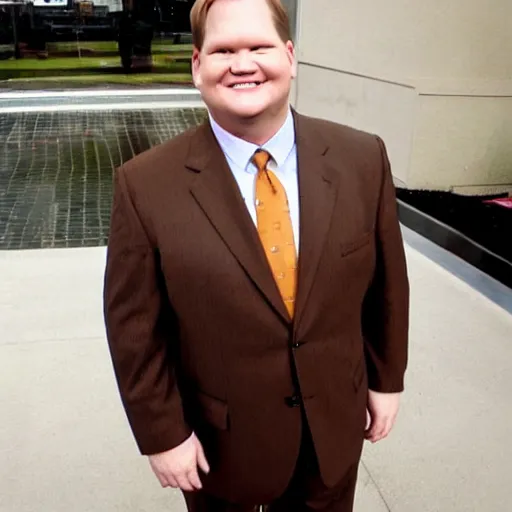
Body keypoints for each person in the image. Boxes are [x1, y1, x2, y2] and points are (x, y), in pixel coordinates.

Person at [103, 0, 409, 510]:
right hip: (221, 448)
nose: (242, 64)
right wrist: (162, 433)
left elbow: (387, 287)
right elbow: (135, 329)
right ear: (197, 66)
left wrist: (386, 380)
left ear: (289, 56)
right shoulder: (145, 185)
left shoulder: (362, 158)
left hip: (334, 428)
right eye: (223, 50)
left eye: (259, 47)